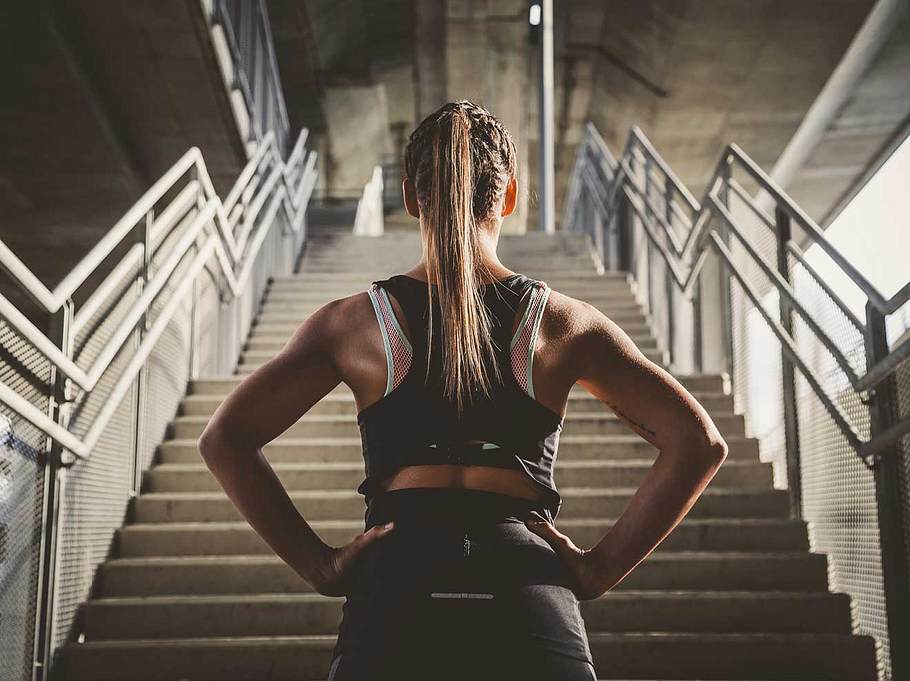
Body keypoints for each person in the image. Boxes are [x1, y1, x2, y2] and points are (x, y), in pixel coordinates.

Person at [197, 100, 729, 681]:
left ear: (411, 197)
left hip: (395, 589)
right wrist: (598, 569)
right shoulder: (563, 324)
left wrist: (321, 567)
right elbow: (697, 442)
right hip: (526, 590)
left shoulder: (352, 325)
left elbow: (225, 438)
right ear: (509, 197)